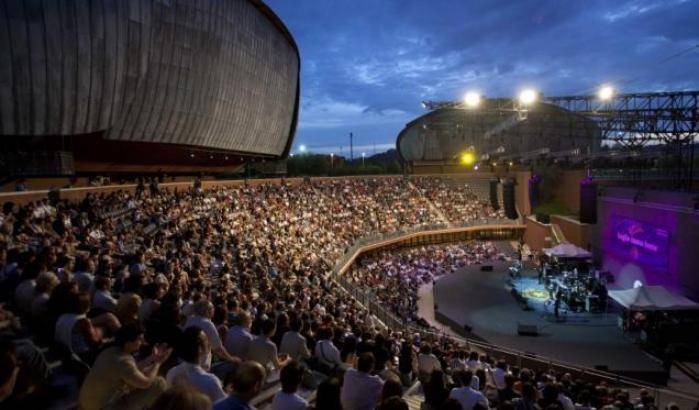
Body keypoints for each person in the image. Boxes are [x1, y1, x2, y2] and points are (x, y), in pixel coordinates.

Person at [78, 324, 171, 410]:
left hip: (88, 403)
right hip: (103, 407)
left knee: (146, 373)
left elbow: (131, 369)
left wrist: (152, 358)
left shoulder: (110, 351)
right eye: (139, 339)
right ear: (128, 343)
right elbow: (145, 383)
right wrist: (158, 363)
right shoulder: (123, 362)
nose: (142, 342)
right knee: (159, 383)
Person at [166, 327, 227, 403]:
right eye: (206, 340)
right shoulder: (211, 381)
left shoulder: (171, 373)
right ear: (200, 349)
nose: (208, 343)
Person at [185, 299, 240, 370]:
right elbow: (218, 348)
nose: (214, 310)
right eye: (212, 308)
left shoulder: (190, 319)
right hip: (200, 365)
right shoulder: (207, 324)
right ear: (207, 311)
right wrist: (231, 359)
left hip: (186, 361)